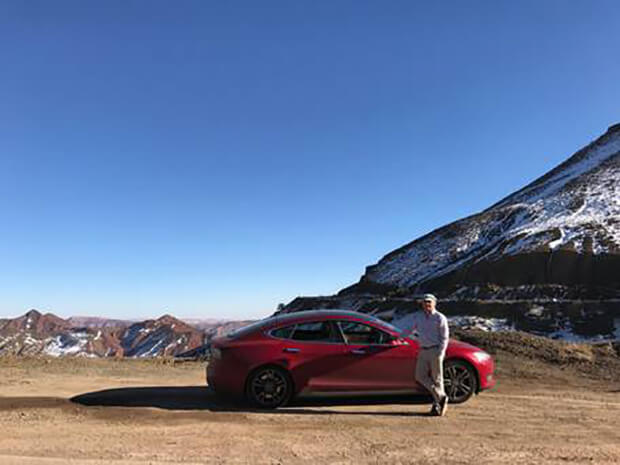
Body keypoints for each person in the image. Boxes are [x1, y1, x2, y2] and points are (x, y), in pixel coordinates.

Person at [410, 293, 449, 416]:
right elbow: (411, 330)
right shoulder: (419, 317)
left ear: (434, 303)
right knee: (419, 376)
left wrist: (440, 353)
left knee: (437, 379)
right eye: (425, 302)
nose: (427, 304)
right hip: (423, 350)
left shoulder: (440, 318)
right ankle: (441, 397)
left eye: (429, 302)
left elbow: (445, 337)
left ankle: (437, 407)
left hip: (435, 350)